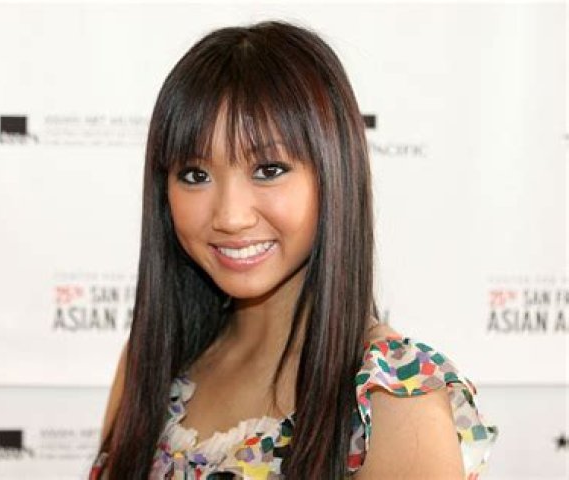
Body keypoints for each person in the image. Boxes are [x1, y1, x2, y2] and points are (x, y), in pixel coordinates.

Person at [90, 20, 497, 479]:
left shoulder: (395, 394)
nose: (230, 216)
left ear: (332, 174)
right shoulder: (152, 362)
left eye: (268, 169)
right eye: (195, 175)